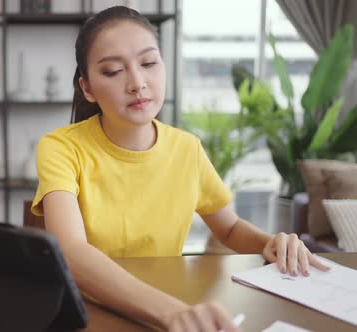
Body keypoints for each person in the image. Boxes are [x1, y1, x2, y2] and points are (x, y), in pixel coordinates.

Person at [30, 5, 329, 332]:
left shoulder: (187, 148)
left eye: (148, 63)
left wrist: (269, 242)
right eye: (114, 71)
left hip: (163, 305)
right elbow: (71, 251)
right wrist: (172, 312)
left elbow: (228, 228)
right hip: (90, 310)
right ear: (87, 88)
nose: (137, 83)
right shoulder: (61, 147)